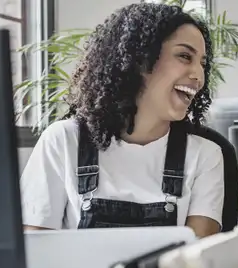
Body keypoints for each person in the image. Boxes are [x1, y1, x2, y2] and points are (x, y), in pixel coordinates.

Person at [20, 3, 224, 238]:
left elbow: (195, 264)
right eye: (184, 56)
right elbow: (36, 255)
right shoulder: (62, 141)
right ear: (139, 58)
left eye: (203, 63)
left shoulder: (206, 156)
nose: (199, 75)